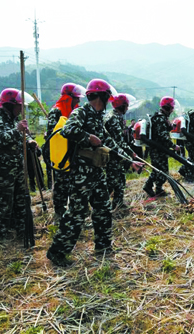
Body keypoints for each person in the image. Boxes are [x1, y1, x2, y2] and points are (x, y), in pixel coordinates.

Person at [47, 79, 143, 266]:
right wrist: (87, 138)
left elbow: (110, 144)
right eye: (107, 97)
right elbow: (68, 130)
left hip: (97, 173)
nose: (108, 101)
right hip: (81, 174)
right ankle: (57, 252)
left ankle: (103, 246)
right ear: (101, 96)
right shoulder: (81, 112)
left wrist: (130, 161)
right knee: (77, 212)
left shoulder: (99, 117)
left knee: (103, 209)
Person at [0, 88, 38, 241]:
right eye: (19, 106)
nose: (21, 109)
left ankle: (22, 230)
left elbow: (21, 136)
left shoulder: (14, 119)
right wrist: (17, 130)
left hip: (17, 167)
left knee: (21, 199)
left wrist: (29, 141)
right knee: (5, 203)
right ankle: (1, 234)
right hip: (2, 169)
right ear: (10, 105)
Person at [46, 83, 86, 220]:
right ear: (68, 98)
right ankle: (59, 211)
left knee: (74, 182)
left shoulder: (74, 111)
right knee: (61, 184)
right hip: (61, 153)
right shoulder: (56, 111)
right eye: (76, 98)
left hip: (73, 152)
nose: (78, 101)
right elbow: (53, 133)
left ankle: (74, 211)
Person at [105, 93, 138, 209]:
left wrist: (130, 153)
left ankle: (118, 203)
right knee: (112, 181)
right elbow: (118, 142)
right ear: (122, 106)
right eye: (126, 106)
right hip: (113, 155)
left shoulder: (115, 117)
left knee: (120, 180)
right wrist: (130, 154)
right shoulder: (113, 119)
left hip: (117, 154)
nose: (127, 108)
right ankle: (103, 206)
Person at [142, 96, 180, 197]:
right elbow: (162, 136)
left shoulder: (161, 117)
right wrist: (173, 146)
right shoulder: (160, 118)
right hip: (158, 149)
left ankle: (154, 187)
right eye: (172, 108)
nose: (172, 111)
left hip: (158, 149)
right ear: (168, 108)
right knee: (162, 170)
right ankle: (154, 188)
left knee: (158, 169)